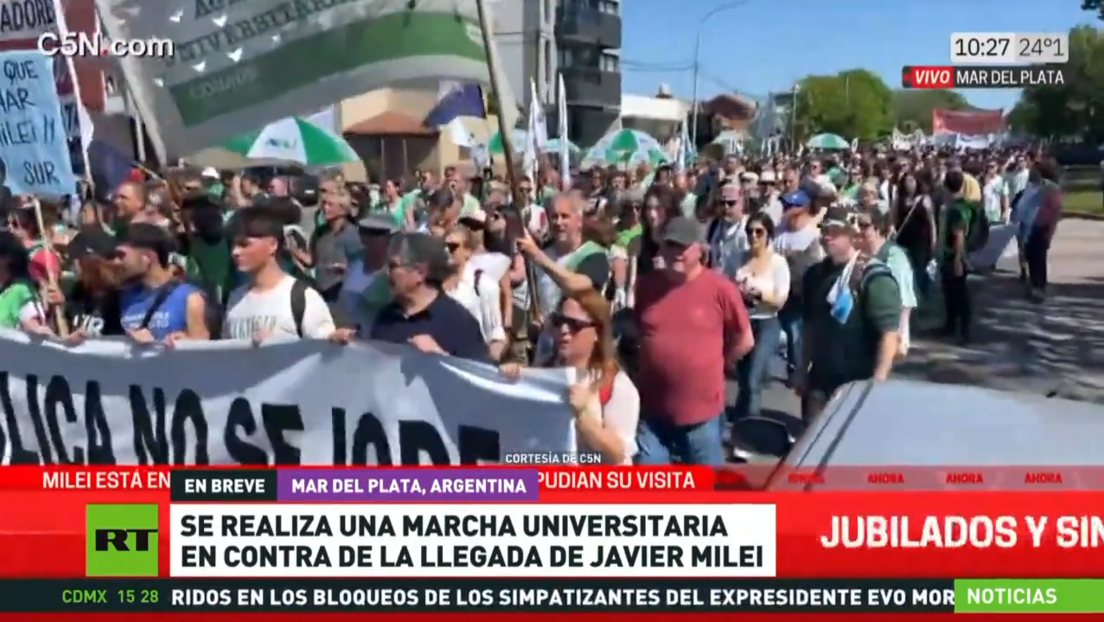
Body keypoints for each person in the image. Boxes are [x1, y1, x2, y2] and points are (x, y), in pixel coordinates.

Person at [633, 217, 753, 465]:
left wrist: (720, 363)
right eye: (670, 245)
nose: (676, 253)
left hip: (702, 413)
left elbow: (745, 338)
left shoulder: (720, 288)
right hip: (652, 412)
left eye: (683, 246)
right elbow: (639, 332)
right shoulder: (646, 286)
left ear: (700, 249)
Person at [501, 289, 640, 464]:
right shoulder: (545, 370)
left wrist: (583, 417)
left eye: (575, 325)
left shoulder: (615, 384)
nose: (564, 330)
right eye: (559, 322)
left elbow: (618, 454)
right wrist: (511, 381)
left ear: (597, 332)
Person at [797, 207, 900, 423]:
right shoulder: (814, 275)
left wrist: (877, 383)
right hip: (820, 379)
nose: (828, 236)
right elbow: (809, 326)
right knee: (810, 441)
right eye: (825, 230)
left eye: (836, 231)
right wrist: (801, 369)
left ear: (853, 235)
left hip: (856, 382)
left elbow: (889, 335)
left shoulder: (874, 277)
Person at [222, 207, 346, 342]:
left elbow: (323, 352)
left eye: (244, 244)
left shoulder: (302, 297)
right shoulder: (235, 298)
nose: (235, 252)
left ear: (272, 245)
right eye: (233, 245)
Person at [370, 232, 489, 361]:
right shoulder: (386, 317)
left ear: (421, 272)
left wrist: (440, 356)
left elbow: (478, 375)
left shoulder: (459, 322)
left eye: (393, 266)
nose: (386, 273)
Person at [731, 213, 789, 444]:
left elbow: (779, 301)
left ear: (768, 235)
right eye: (750, 232)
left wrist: (757, 293)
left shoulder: (778, 263)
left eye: (759, 232)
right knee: (744, 377)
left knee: (754, 377)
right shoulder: (740, 259)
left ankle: (750, 433)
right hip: (743, 322)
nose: (753, 236)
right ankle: (739, 420)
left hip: (767, 322)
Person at [116, 223, 210, 344]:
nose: (116, 262)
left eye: (122, 255)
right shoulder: (121, 298)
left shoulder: (190, 298)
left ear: (148, 257)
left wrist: (183, 341)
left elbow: (204, 353)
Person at [441, 224, 507, 360]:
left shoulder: (484, 284)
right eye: (443, 246)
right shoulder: (433, 283)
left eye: (453, 247)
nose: (446, 251)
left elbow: (496, 334)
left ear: (468, 251)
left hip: (471, 361)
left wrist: (488, 363)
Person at [857, 209, 916, 357]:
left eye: (865, 225)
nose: (859, 229)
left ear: (877, 228)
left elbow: (905, 299)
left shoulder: (894, 256)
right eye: (857, 224)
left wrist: (901, 337)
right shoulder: (858, 253)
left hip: (887, 333)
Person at [338, 214, 396, 334]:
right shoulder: (354, 263)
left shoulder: (395, 273)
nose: (368, 239)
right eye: (364, 232)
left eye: (376, 234)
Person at [937, 170, 975, 343]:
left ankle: (964, 330)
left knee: (959, 293)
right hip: (951, 255)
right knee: (949, 291)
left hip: (954, 256)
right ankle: (951, 324)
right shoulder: (964, 204)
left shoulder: (956, 209)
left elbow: (958, 234)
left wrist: (958, 259)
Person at [309, 191, 363, 302]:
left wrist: (345, 269)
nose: (325, 208)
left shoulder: (350, 233)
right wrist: (293, 250)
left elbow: (359, 265)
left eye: (330, 205)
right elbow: (312, 260)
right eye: (324, 204)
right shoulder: (320, 232)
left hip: (341, 292)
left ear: (342, 209)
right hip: (321, 291)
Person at [1022, 158, 1063, 302]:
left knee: (1038, 258)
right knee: (1032, 256)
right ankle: (1034, 285)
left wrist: (1049, 230)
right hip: (1032, 225)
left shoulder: (1051, 188)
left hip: (1041, 227)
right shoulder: (1036, 186)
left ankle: (1039, 287)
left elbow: (1055, 210)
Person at [705, 182, 749, 279]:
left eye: (731, 203)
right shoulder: (713, 225)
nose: (726, 207)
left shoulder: (750, 227)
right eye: (722, 203)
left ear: (742, 203)